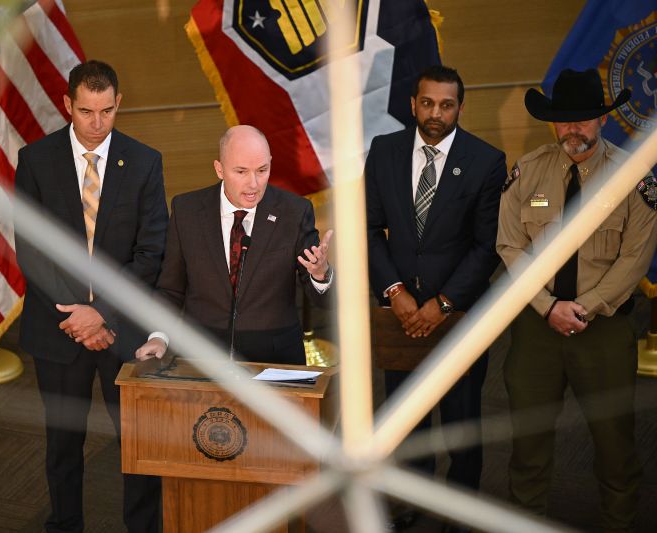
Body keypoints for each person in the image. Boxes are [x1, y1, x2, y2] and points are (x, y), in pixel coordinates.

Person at [497, 67, 657, 531]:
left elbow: (635, 259)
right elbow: (509, 246)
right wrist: (548, 306)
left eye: (583, 119)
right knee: (528, 442)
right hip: (536, 328)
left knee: (614, 443)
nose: (573, 129)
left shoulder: (633, 178)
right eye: (564, 120)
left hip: (603, 329)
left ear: (602, 119)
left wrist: (582, 308)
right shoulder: (528, 170)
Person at [14, 60, 168, 533]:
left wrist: (100, 314)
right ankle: (65, 526)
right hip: (58, 329)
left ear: (118, 103)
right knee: (63, 445)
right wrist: (79, 318)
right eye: (86, 111)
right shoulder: (35, 160)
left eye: (106, 111)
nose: (97, 123)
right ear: (67, 105)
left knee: (136, 444)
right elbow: (32, 250)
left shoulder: (144, 162)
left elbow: (151, 253)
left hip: (122, 330)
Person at [365, 65, 506, 528]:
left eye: (446, 105)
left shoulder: (486, 160)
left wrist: (443, 303)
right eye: (427, 103)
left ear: (460, 108)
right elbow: (368, 229)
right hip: (400, 315)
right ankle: (411, 502)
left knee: (461, 421)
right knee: (407, 420)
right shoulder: (383, 151)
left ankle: (459, 510)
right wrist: (394, 291)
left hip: (458, 316)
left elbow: (486, 246)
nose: (435, 114)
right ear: (413, 104)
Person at [135, 125, 333, 365]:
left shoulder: (294, 212)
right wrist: (159, 337)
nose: (253, 184)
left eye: (262, 170)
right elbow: (171, 289)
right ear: (219, 169)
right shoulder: (187, 210)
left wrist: (321, 275)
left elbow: (323, 300)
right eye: (241, 172)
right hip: (201, 360)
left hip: (274, 360)